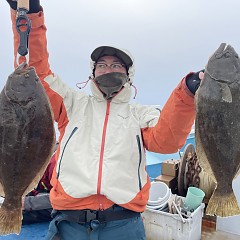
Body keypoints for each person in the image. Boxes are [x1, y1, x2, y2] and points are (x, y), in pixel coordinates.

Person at [6, 1, 203, 239]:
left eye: (116, 65)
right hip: (69, 223)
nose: (108, 69)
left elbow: (167, 142)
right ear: (93, 72)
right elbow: (36, 73)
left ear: (128, 74)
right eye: (102, 65)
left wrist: (187, 93)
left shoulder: (141, 114)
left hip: (124, 224)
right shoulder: (72, 103)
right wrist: (31, 16)